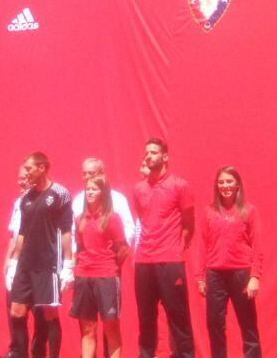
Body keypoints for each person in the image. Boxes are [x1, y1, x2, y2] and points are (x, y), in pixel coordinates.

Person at [133, 138, 195, 358]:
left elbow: (189, 224)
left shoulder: (179, 185)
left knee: (179, 320)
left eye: (154, 152)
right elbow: (143, 217)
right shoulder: (139, 189)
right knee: (146, 321)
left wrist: (175, 250)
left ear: (165, 157)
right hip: (143, 262)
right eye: (146, 152)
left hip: (170, 262)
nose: (148, 156)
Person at [7, 152, 73, 358]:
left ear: (42, 168)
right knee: (16, 311)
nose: (25, 173)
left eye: (29, 168)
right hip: (25, 264)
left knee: (49, 313)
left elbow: (66, 231)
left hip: (48, 264)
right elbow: (22, 233)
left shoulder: (60, 194)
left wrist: (68, 262)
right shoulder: (25, 198)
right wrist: (13, 262)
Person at [195, 166, 262, 358]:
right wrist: (200, 276)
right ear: (216, 185)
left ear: (237, 184)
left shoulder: (249, 211)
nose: (225, 186)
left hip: (241, 273)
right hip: (215, 274)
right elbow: (201, 245)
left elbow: (257, 245)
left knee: (248, 324)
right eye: (221, 182)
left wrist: (255, 276)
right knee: (215, 324)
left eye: (229, 181)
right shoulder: (209, 212)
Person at [71, 175, 128, 358]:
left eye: (94, 189)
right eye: (88, 189)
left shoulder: (112, 218)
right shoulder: (80, 219)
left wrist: (111, 267)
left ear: (103, 193)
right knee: (88, 328)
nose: (90, 192)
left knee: (111, 326)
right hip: (84, 276)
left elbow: (123, 249)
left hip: (106, 276)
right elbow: (79, 248)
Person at [71, 158, 135, 247]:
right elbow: (74, 230)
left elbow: (129, 227)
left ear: (102, 174)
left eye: (91, 173)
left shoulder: (118, 199)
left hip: (109, 256)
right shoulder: (78, 200)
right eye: (84, 173)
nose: (86, 177)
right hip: (85, 257)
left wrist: (118, 247)